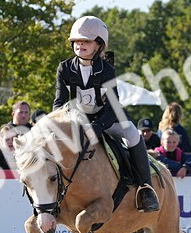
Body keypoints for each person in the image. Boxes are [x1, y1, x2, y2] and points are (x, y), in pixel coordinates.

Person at [54, 15, 159, 212]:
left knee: (133, 135)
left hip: (107, 118)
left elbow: (113, 107)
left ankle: (146, 188)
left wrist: (98, 126)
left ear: (99, 45)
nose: (80, 45)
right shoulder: (65, 68)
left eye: (86, 41)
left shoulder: (106, 69)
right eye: (76, 41)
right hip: (79, 119)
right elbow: (59, 102)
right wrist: (58, 124)